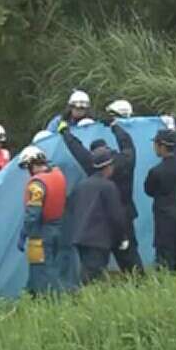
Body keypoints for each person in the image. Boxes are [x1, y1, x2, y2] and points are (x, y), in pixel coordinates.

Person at [59, 99, 143, 273]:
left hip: (101, 222)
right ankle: (140, 286)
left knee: (94, 269)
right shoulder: (125, 161)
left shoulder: (93, 164)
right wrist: (115, 126)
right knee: (130, 260)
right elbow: (128, 144)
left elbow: (77, 150)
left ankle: (95, 292)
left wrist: (65, 132)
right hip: (125, 216)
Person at [69, 146, 131, 286]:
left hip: (80, 238)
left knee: (87, 271)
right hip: (98, 240)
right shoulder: (108, 186)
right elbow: (116, 216)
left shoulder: (81, 186)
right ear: (108, 166)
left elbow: (72, 208)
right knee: (92, 279)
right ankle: (86, 303)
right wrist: (122, 238)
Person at [16, 146, 68, 296]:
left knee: (40, 272)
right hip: (59, 228)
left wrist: (24, 233)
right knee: (55, 269)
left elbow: (33, 213)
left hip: (42, 233)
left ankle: (43, 302)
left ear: (32, 165)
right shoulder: (58, 175)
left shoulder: (37, 184)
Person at [144, 125, 176, 271]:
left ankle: (164, 278)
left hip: (162, 215)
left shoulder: (156, 172)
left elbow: (148, 191)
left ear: (162, 147)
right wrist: (173, 128)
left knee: (163, 252)